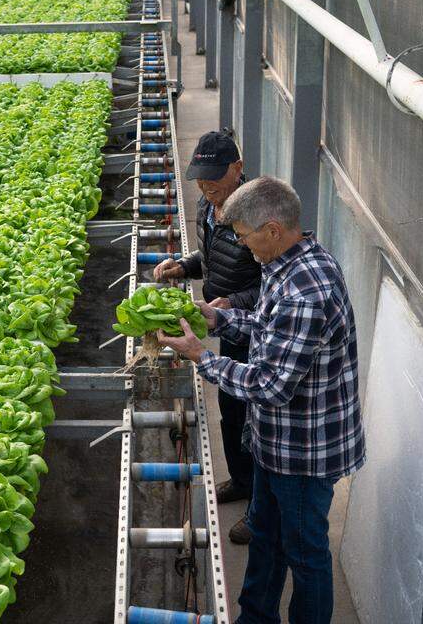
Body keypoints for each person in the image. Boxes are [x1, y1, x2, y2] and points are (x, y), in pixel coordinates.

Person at [156, 175, 365, 624]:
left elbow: (270, 385)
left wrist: (199, 357)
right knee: (267, 535)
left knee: (305, 553)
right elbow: (270, 332)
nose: (241, 245)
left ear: (272, 229)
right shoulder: (289, 264)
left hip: (304, 452)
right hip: (276, 442)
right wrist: (218, 319)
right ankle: (255, 616)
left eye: (245, 236)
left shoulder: (305, 292)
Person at [153, 130, 262, 544]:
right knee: (231, 409)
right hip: (229, 326)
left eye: (214, 178)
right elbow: (211, 258)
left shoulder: (254, 213)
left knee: (260, 421)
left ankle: (259, 512)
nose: (206, 186)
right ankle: (241, 480)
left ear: (238, 167)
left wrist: (233, 303)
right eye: (200, 178)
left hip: (256, 327)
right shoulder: (208, 204)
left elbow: (271, 282)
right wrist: (183, 266)